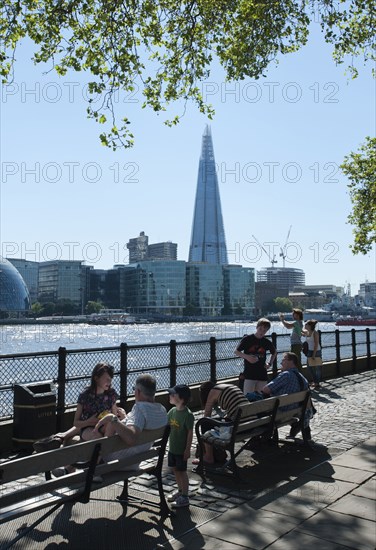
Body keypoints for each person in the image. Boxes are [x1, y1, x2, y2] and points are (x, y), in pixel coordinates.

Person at [33, 362, 125, 471]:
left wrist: (120, 416)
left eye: (111, 379)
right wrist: (90, 422)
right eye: (106, 379)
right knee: (98, 440)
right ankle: (91, 471)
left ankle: (69, 465)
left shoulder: (111, 394)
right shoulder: (85, 395)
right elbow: (76, 423)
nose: (109, 382)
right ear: (96, 378)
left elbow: (113, 416)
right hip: (88, 428)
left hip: (104, 428)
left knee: (108, 428)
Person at [95, 373, 168, 469]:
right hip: (136, 458)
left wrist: (112, 418)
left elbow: (131, 438)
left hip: (117, 460)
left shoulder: (140, 408)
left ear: (137, 392)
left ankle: (79, 468)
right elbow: (138, 423)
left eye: (134, 389)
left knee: (81, 439)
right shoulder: (161, 410)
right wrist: (126, 417)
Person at [193, 381, 256, 465]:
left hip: (239, 428)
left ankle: (208, 457)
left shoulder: (212, 392)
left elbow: (206, 416)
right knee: (216, 421)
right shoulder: (230, 386)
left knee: (204, 423)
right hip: (252, 424)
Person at [261, 352, 313, 441]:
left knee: (258, 404)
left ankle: (262, 437)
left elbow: (265, 389)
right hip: (296, 410)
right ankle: (303, 430)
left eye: (283, 360)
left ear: (291, 362)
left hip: (282, 411)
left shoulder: (286, 375)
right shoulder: (303, 378)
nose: (281, 363)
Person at [166, 384, 194, 508]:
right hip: (172, 448)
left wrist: (187, 449)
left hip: (181, 450)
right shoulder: (172, 412)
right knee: (175, 470)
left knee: (182, 472)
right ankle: (180, 491)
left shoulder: (188, 415)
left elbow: (190, 433)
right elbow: (165, 425)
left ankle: (185, 496)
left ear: (182, 399)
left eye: (173, 394)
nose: (170, 396)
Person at [235, 318, 277, 394]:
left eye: (264, 330)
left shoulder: (266, 342)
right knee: (248, 397)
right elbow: (236, 351)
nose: (262, 332)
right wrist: (247, 357)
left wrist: (269, 363)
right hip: (249, 374)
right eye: (260, 329)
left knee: (260, 397)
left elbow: (274, 352)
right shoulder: (247, 339)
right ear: (257, 327)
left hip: (262, 374)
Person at [303, 319, 322, 389]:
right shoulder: (307, 332)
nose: (305, 325)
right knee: (309, 367)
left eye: (306, 324)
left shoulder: (315, 333)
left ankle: (317, 383)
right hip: (309, 351)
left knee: (318, 368)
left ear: (310, 326)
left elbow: (316, 344)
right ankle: (315, 381)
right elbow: (301, 332)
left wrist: (314, 354)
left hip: (316, 351)